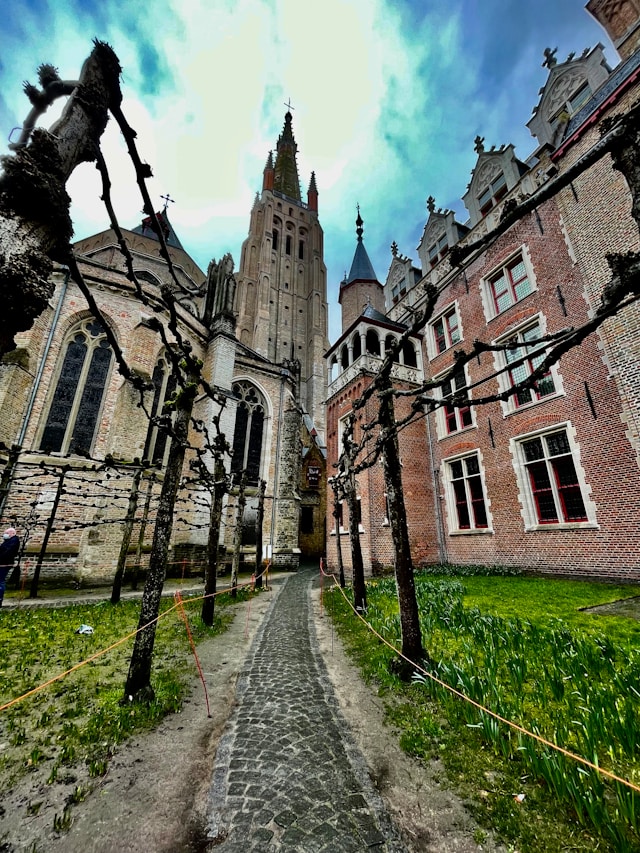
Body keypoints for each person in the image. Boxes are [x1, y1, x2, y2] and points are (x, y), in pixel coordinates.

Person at [0, 527, 20, 607]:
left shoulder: (14, 541)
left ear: (12, 534)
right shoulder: (8, 541)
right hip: (3, 563)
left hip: (4, 564)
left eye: (7, 533)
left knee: (0, 581)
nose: (5, 535)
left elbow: (6, 553)